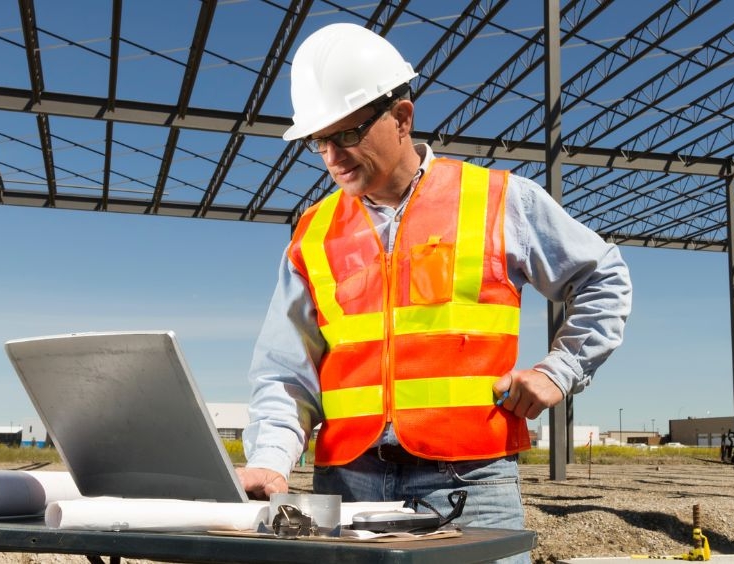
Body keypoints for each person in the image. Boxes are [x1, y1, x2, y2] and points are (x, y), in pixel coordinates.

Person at [238, 22, 632, 559]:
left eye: (347, 134)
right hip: (347, 486)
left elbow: (602, 276)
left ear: (402, 118)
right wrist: (270, 459)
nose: (332, 155)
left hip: (468, 484)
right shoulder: (315, 231)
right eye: (318, 141)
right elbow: (287, 372)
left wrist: (558, 372)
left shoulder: (497, 199)